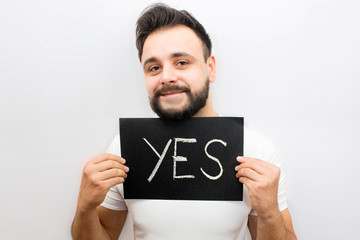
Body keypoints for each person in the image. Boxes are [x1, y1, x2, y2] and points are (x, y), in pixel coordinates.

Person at [71, 3, 297, 240]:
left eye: (181, 62)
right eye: (154, 67)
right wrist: (84, 208)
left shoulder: (255, 150)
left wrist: (270, 214)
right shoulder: (124, 149)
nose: (167, 77)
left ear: (210, 68)